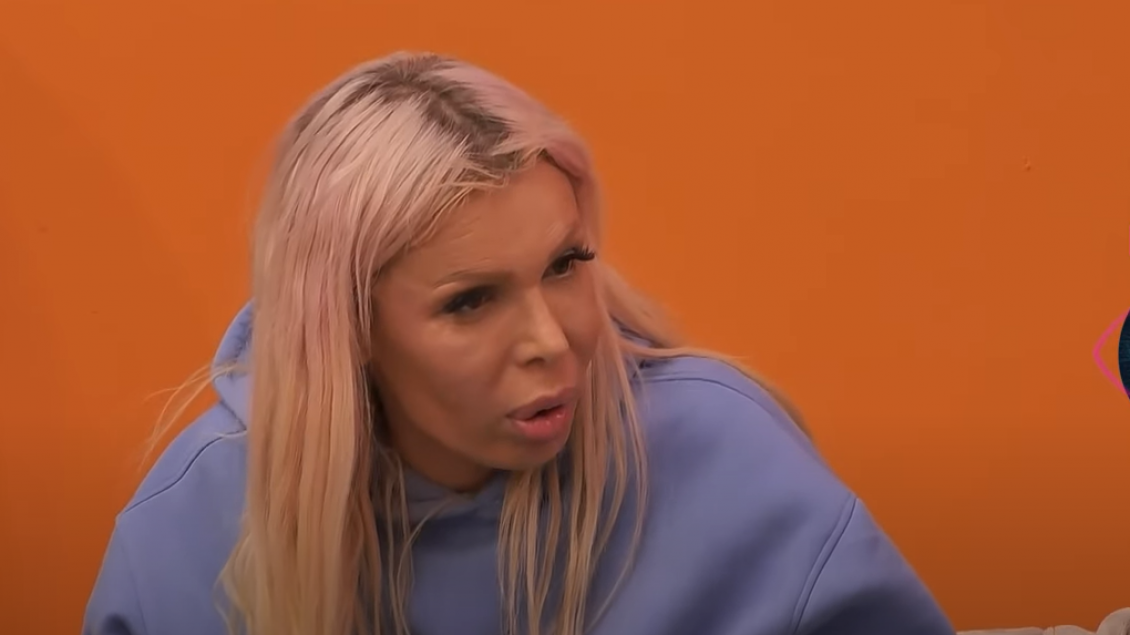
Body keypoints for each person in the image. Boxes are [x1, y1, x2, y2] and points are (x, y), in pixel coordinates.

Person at [82, 51, 955, 635]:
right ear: (346, 328)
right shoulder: (188, 531)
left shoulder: (734, 462)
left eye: (565, 265)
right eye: (471, 302)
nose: (552, 340)